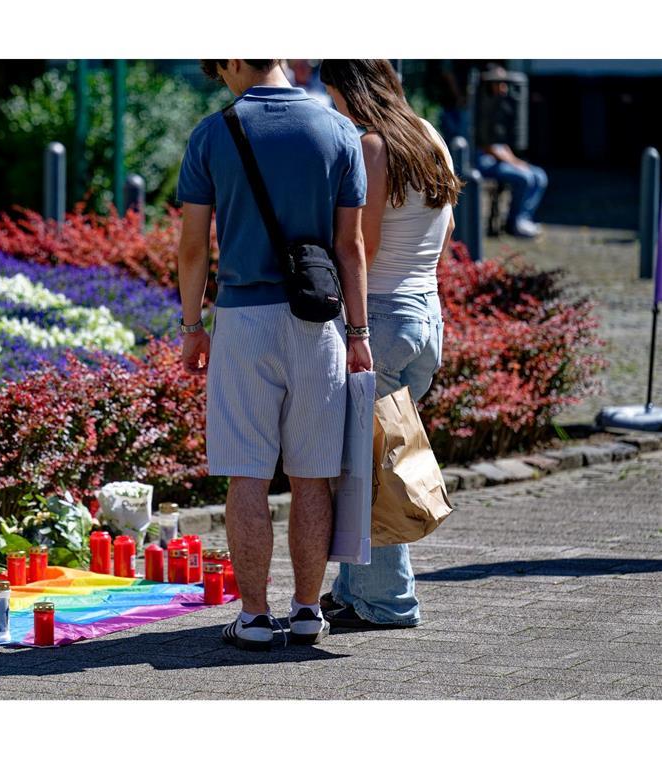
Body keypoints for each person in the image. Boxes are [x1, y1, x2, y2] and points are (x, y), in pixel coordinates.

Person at [177, 59, 371, 650]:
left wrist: (191, 325)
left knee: (248, 475)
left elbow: (192, 248)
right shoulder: (338, 130)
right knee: (314, 476)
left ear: (237, 60)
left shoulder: (214, 132)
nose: (222, 80)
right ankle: (310, 610)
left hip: (242, 319)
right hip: (320, 320)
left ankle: (255, 617)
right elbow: (351, 247)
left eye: (220, 69)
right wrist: (359, 334)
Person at [318, 59, 461, 630]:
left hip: (381, 317)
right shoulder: (429, 136)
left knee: (369, 466)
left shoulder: (373, 147)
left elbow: (364, 246)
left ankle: (388, 602)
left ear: (351, 91)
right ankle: (354, 590)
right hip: (425, 317)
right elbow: (446, 231)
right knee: (377, 454)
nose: (334, 109)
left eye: (334, 97)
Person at [475, 64, 547, 238]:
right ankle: (514, 223)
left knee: (539, 175)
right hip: (483, 162)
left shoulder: (500, 106)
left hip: (500, 159)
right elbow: (488, 146)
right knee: (525, 178)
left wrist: (517, 161)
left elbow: (501, 144)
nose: (504, 87)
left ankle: (524, 218)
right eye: (500, 83)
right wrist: (515, 164)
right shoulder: (481, 107)